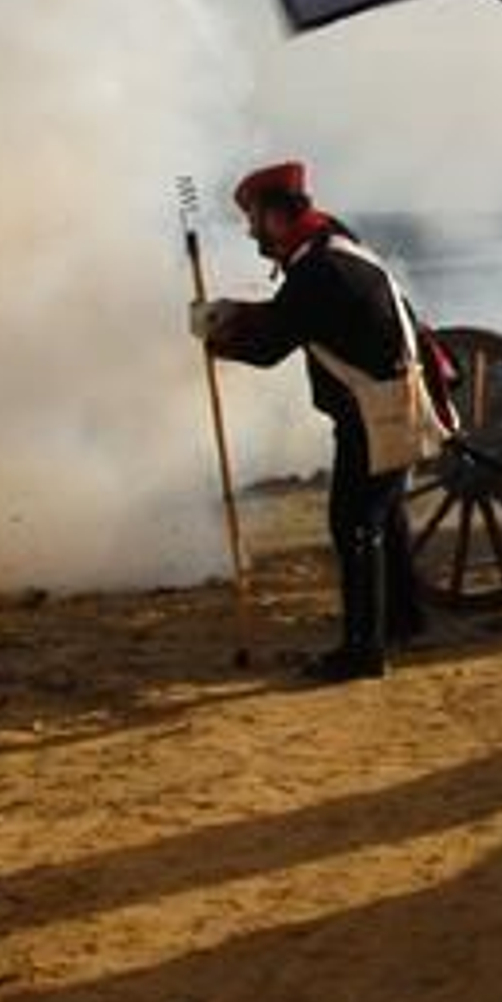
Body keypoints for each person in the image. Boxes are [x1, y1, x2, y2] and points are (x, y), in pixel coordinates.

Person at [191, 162, 441, 684]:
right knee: (383, 517)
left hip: (372, 412)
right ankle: (403, 620)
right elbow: (292, 314)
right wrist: (231, 311)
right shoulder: (332, 243)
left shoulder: (317, 272)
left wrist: (214, 338)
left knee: (354, 524)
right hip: (393, 400)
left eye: (255, 219)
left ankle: (363, 651)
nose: (251, 231)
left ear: (278, 217)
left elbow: (270, 346)